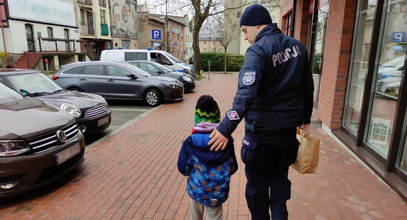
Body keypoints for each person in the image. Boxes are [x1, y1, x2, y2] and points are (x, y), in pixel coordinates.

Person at [208, 4, 314, 220]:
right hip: (286, 135)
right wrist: (305, 118)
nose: (246, 37)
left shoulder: (258, 50)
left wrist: (225, 128)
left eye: (245, 30)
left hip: (261, 137)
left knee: (256, 190)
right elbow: (307, 87)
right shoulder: (298, 47)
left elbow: (245, 95)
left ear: (257, 24)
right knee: (279, 186)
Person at [177, 95, 238, 220]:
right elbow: (233, 167)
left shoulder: (190, 142)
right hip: (217, 192)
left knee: (195, 216)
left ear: (197, 118)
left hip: (196, 190)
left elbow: (183, 169)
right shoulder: (226, 141)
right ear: (218, 117)